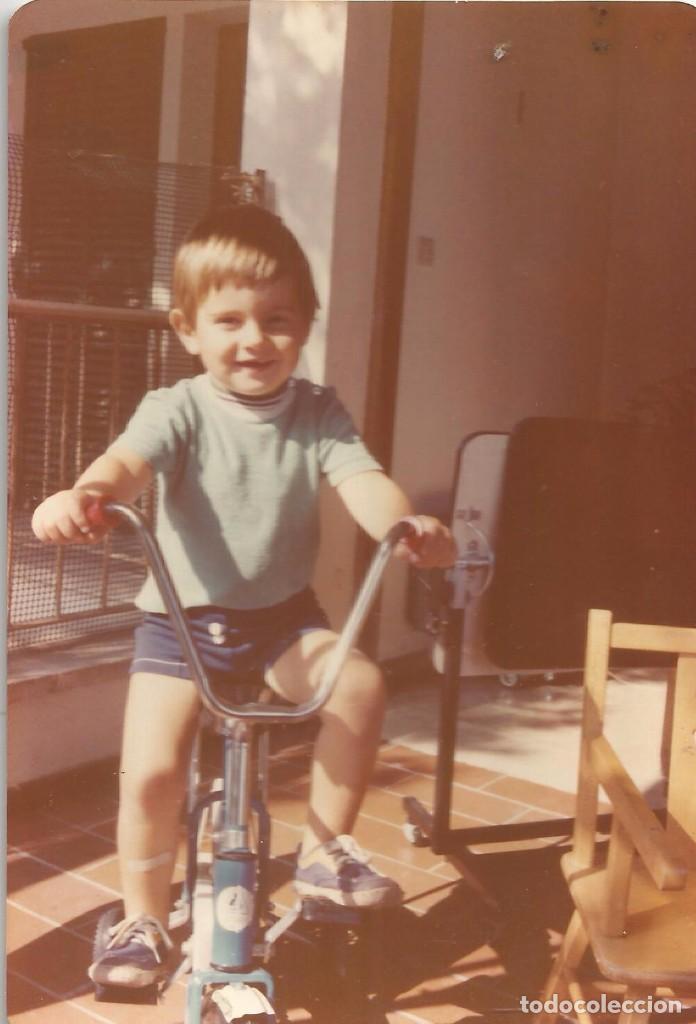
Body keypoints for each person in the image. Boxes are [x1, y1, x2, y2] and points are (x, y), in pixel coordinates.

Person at [32, 204, 457, 989]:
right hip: (178, 629)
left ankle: (327, 850)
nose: (254, 340)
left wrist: (406, 528)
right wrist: (86, 494)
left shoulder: (318, 412)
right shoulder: (178, 408)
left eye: (278, 320)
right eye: (229, 320)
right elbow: (125, 465)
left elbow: (361, 482)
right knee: (152, 771)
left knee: (358, 685)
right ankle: (143, 917)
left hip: (283, 624)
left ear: (306, 326)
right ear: (187, 329)